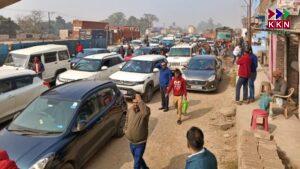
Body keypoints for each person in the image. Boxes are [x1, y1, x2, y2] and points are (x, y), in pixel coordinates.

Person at [124, 94, 150, 169]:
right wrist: (125, 130)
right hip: (131, 142)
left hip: (140, 143)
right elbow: (126, 120)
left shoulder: (145, 110)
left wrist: (140, 101)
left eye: (137, 102)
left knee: (136, 164)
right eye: (134, 102)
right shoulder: (130, 110)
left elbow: (145, 113)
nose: (135, 104)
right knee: (138, 159)